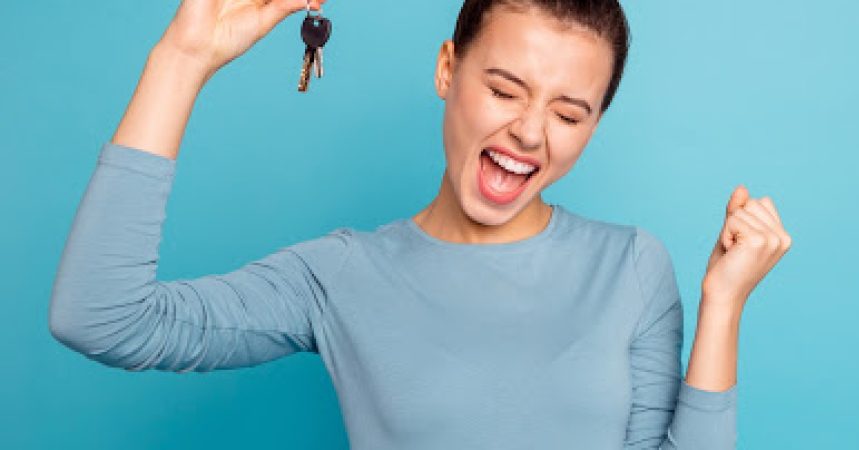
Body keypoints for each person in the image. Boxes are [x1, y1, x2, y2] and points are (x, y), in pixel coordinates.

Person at [49, 0, 793, 448]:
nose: (532, 132)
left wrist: (722, 307)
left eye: (569, 113)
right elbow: (102, 319)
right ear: (448, 70)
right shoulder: (339, 277)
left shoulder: (631, 266)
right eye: (505, 89)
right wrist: (180, 60)